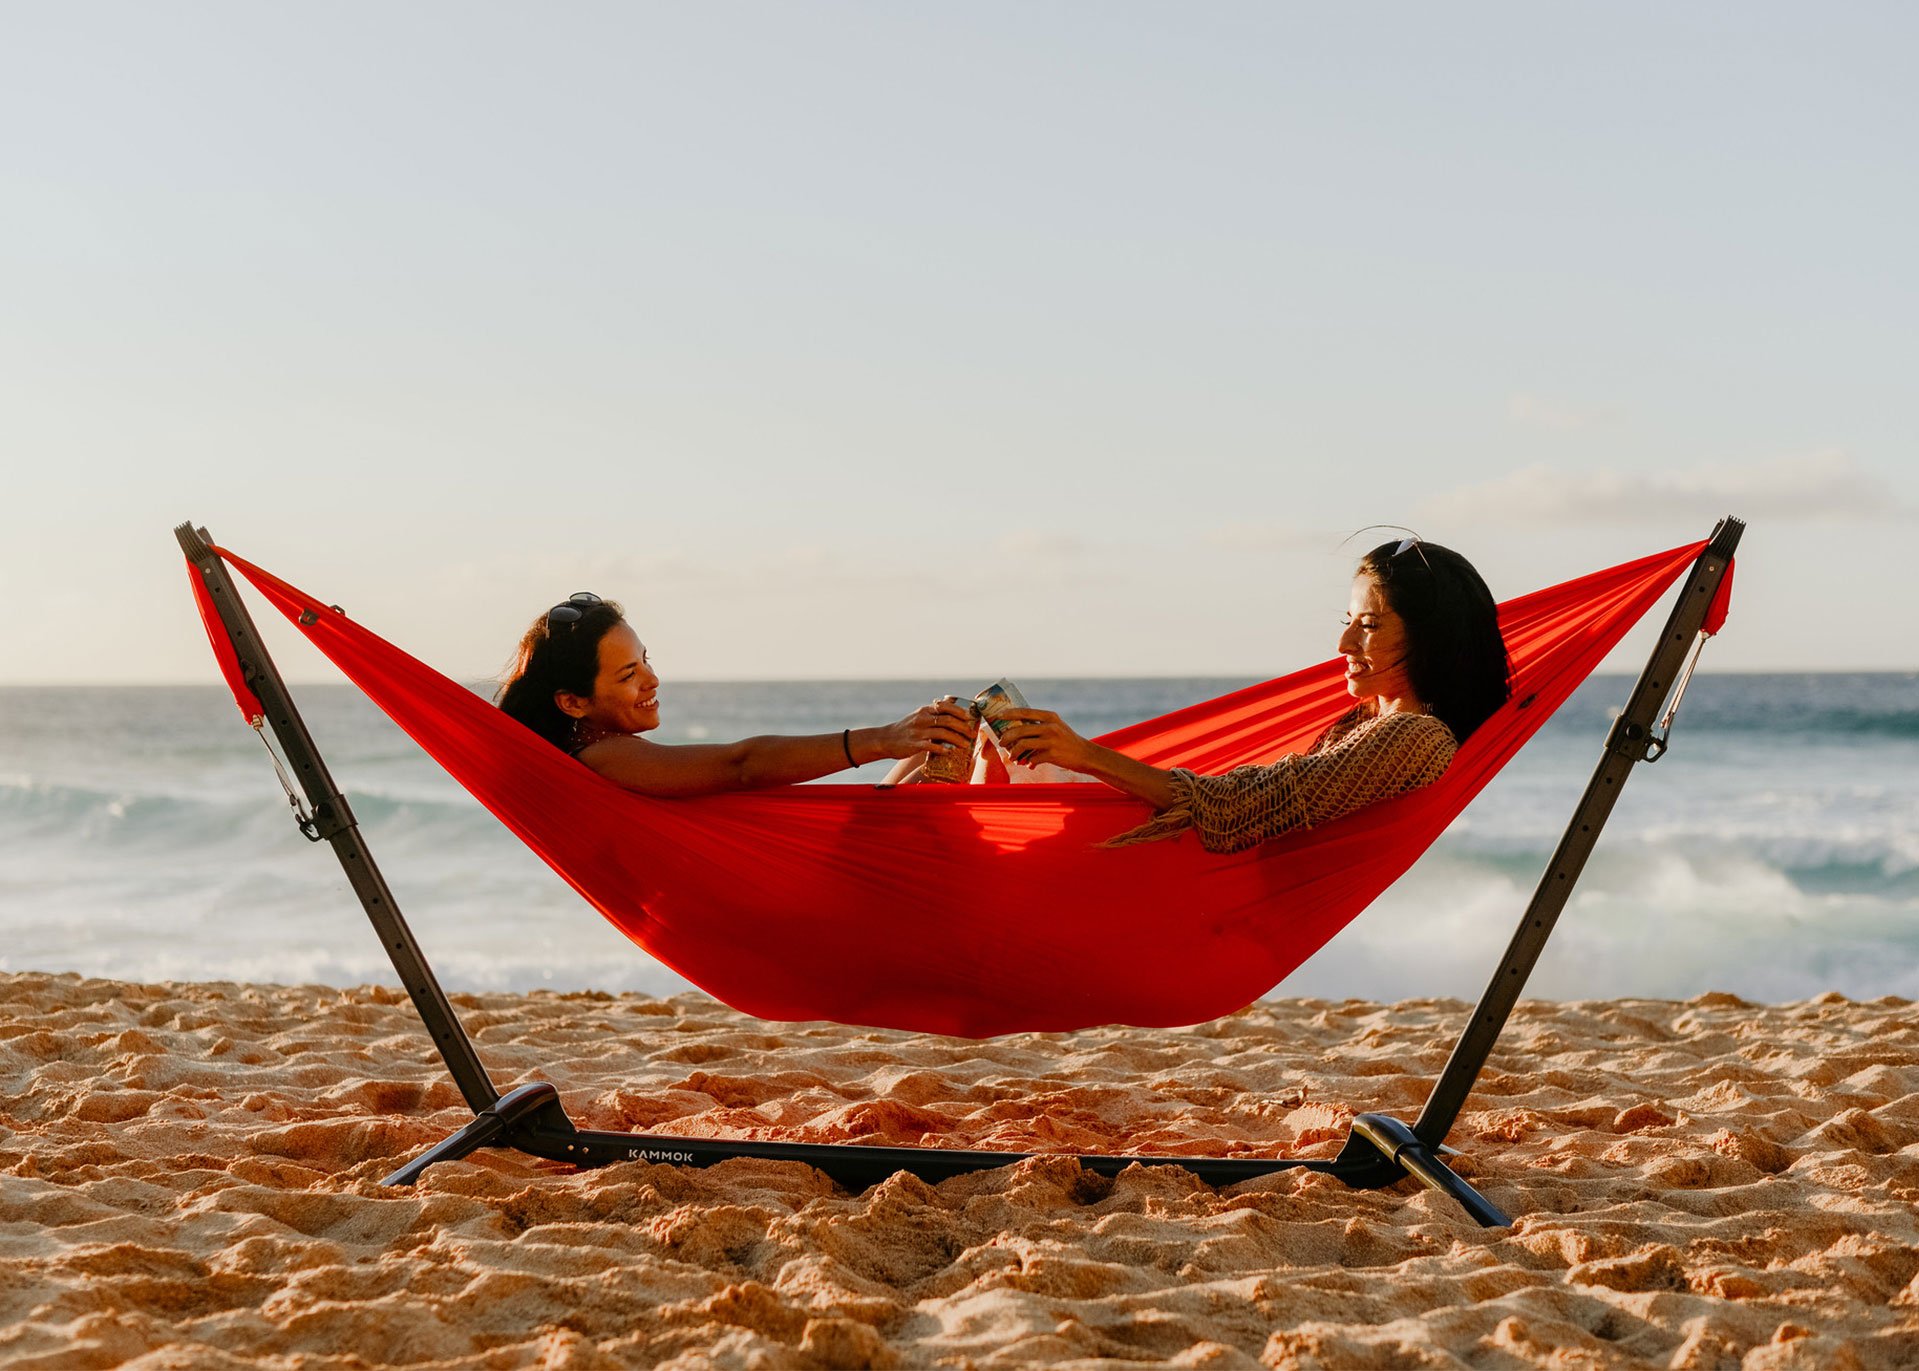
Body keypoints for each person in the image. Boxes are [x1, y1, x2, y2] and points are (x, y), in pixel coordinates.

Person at [994, 538, 1512, 851]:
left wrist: (1082, 754)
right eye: (1347, 621)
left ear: (1430, 639)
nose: (1344, 643)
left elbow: (1240, 808)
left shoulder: (1414, 738)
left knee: (978, 797)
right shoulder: (1367, 723)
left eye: (1369, 626)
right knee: (967, 745)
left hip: (1202, 907)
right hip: (1191, 877)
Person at [496, 593, 976, 794]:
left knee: (955, 730)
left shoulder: (600, 756)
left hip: (812, 866)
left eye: (647, 660)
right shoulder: (604, 760)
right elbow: (741, 764)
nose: (652, 681)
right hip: (812, 887)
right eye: (628, 675)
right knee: (982, 749)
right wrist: (883, 739)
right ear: (573, 702)